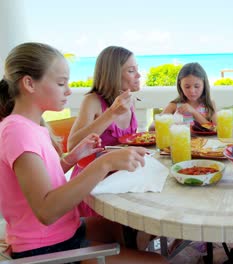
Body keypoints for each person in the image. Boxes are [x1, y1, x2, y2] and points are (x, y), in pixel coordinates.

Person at [0, 42, 166, 263]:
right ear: (29, 83)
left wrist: (72, 157)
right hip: (46, 248)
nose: (68, 91)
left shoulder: (31, 127)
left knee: (131, 228)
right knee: (158, 261)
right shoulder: (17, 132)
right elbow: (46, 211)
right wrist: (104, 163)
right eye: (61, 83)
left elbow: (38, 181)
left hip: (65, 231)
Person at [67, 46, 139, 217]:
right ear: (113, 74)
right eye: (131, 70)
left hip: (121, 175)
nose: (138, 75)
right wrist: (111, 113)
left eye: (137, 69)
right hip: (95, 182)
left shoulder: (128, 100)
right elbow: (73, 145)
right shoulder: (92, 101)